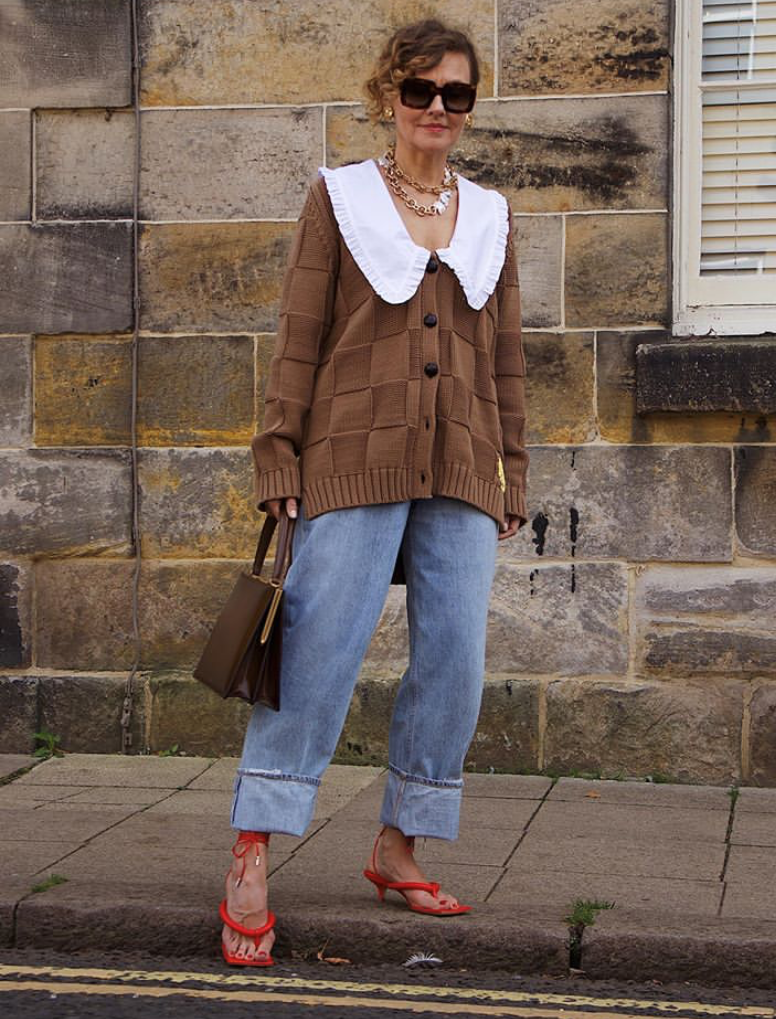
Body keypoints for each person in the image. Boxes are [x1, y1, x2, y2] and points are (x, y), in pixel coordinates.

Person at [219, 18, 528, 966]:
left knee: (455, 661)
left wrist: (512, 471)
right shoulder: (341, 198)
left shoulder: (490, 214)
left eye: (455, 94)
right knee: (316, 650)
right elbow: (299, 336)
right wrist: (279, 458)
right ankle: (252, 847)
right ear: (389, 95)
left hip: (463, 464)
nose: (437, 108)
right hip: (350, 457)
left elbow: (506, 361)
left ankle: (399, 843)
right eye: (420, 90)